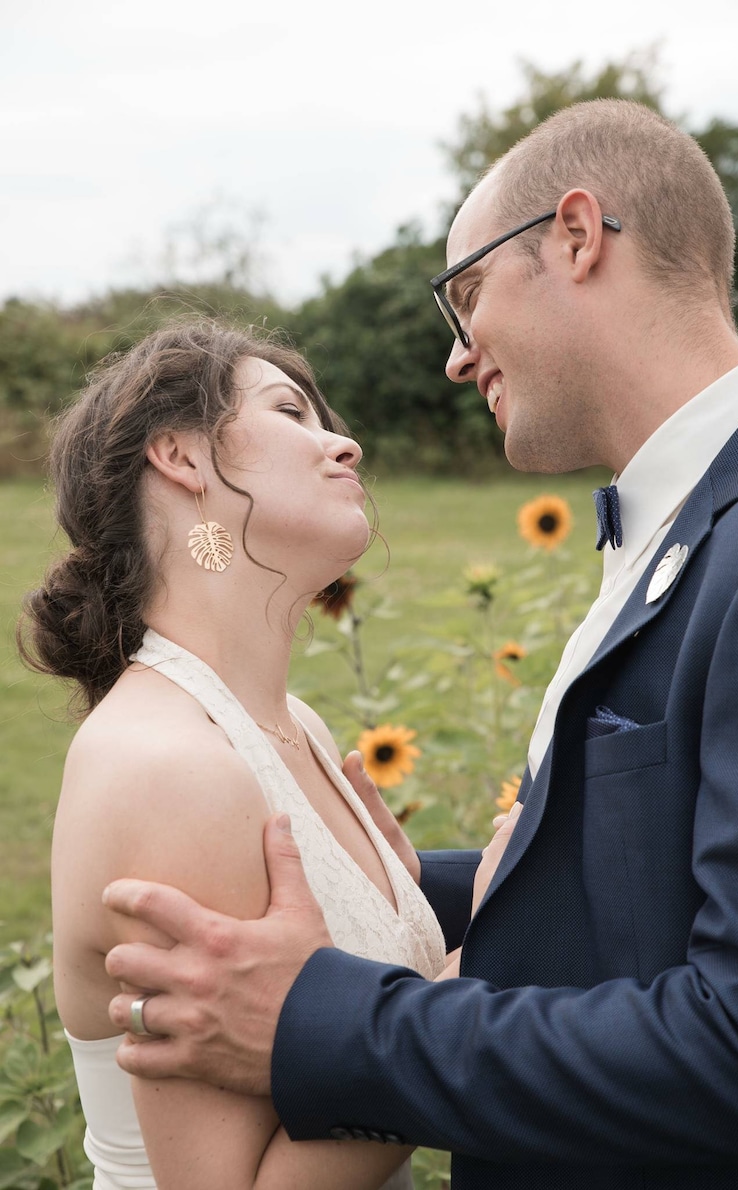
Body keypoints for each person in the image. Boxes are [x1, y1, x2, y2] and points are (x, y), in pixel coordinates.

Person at [101, 98, 738, 1189]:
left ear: (575, 237)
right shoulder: (708, 516)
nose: (456, 360)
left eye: (464, 296)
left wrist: (331, 1018)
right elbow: (652, 889)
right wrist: (387, 890)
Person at [19, 318, 516, 1189]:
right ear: (181, 457)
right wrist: (479, 969)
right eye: (293, 412)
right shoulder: (169, 768)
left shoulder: (298, 724)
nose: (345, 443)